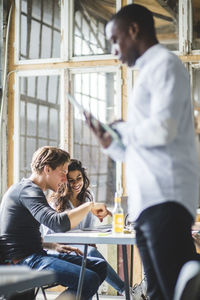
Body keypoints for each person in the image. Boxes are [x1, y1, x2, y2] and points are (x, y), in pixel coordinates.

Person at [84, 4, 200, 300]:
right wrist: (113, 144)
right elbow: (140, 148)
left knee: (178, 291)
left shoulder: (164, 64)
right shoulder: (146, 74)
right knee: (159, 292)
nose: (113, 49)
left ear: (134, 30)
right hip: (148, 201)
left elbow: (164, 130)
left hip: (166, 196)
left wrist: (124, 129)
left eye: (114, 39)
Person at [0, 146, 112, 300]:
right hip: (23, 261)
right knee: (88, 278)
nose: (65, 180)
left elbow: (21, 234)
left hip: (35, 254)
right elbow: (57, 223)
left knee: (99, 266)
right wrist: (89, 206)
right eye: (63, 173)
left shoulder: (30, 190)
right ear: (47, 169)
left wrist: (53, 246)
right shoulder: (28, 191)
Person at [42, 158, 147, 298]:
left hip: (79, 249)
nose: (76, 183)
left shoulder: (87, 199)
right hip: (57, 250)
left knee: (91, 255)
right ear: (64, 181)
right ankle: (126, 292)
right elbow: (52, 236)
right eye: (71, 180)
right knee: (90, 253)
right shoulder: (56, 202)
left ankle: (131, 291)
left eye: (78, 178)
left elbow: (87, 231)